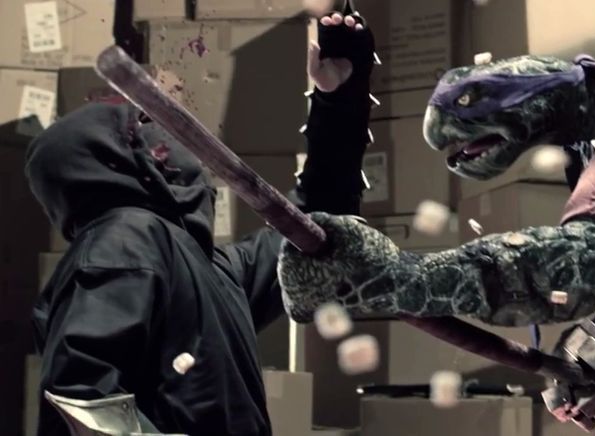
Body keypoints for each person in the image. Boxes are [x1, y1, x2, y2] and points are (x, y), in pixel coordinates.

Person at [24, 10, 374, 435]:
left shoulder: (210, 267)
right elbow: (83, 404)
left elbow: (317, 225)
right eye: (144, 124)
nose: (170, 136)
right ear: (120, 156)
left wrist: (339, 97)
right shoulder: (125, 241)